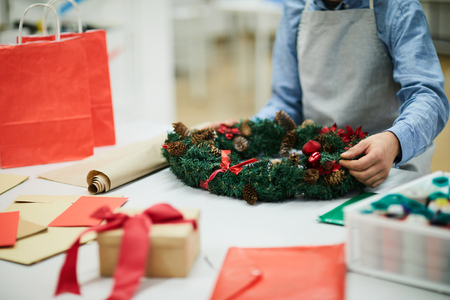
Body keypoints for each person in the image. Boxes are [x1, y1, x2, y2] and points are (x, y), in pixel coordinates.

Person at [211, 0, 449, 188]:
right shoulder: (296, 6)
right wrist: (248, 129)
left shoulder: (397, 7)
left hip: (388, 170)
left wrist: (395, 140)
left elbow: (429, 96)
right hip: (318, 168)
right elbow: (286, 101)